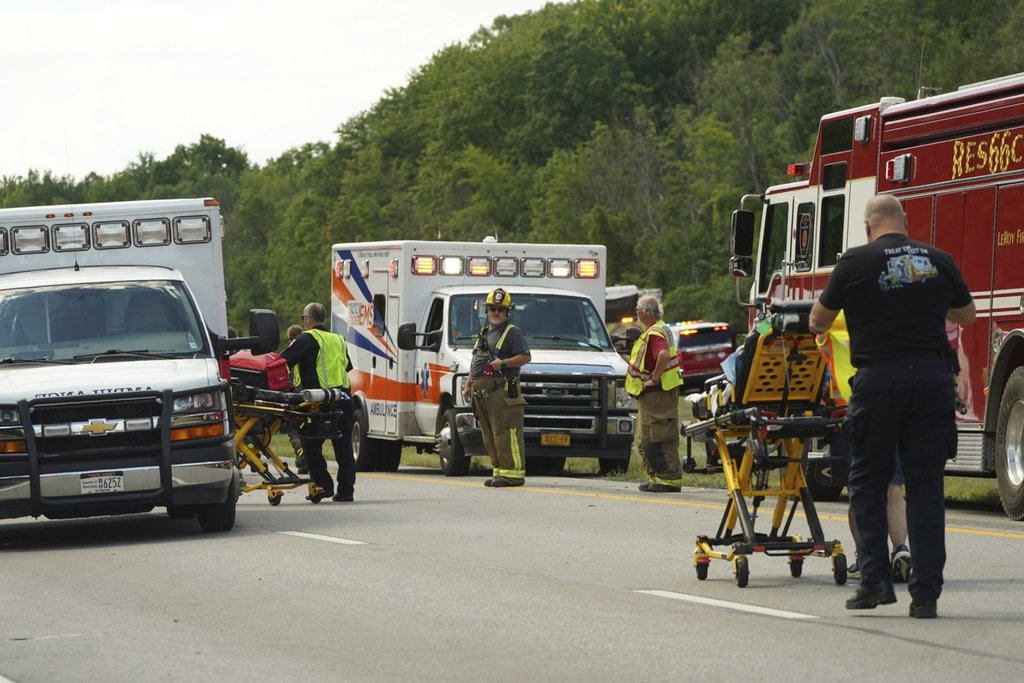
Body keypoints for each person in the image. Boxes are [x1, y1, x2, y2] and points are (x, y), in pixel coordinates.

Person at [809, 194, 975, 618]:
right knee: (925, 488)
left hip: (879, 381)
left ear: (868, 227)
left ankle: (876, 582)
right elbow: (967, 314)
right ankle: (926, 596)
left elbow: (818, 320)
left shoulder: (854, 262)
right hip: (931, 380)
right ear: (905, 222)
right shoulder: (938, 259)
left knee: (867, 482)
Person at [280, 302, 357, 503]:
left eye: (303, 318)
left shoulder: (306, 339)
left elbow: (283, 361)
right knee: (344, 447)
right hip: (343, 398)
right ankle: (346, 491)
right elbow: (347, 367)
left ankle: (323, 485)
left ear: (308, 319)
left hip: (317, 402)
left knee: (310, 444)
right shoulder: (338, 339)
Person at [460, 288, 531, 487]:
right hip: (481, 392)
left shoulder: (512, 332)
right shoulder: (484, 332)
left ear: (508, 312)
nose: (496, 312)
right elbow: (476, 360)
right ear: (487, 311)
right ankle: (499, 472)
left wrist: (504, 363)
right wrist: (468, 384)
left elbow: (526, 357)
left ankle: (513, 475)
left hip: (501, 391)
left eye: (501, 309)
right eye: (492, 308)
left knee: (505, 432)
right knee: (489, 434)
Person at [625, 295, 683, 492]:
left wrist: (655, 378)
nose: (637, 313)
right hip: (653, 393)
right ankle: (658, 477)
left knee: (656, 436)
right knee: (648, 437)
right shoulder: (659, 329)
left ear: (644, 312)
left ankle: (668, 478)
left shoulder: (655, 332)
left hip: (657, 392)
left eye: (637, 310)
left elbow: (663, 354)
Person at [284, 323, 307, 474]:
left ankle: (302, 457)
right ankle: (304, 459)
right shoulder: (308, 347)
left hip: (294, 396)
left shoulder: (289, 352)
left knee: (293, 430)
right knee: (306, 429)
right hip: (309, 394)